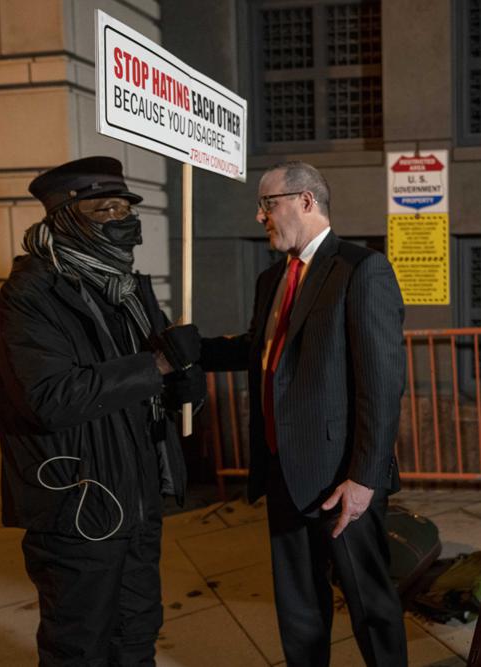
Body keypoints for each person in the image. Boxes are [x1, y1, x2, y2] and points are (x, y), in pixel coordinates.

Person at [0, 156, 204, 665]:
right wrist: (158, 364)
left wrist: (183, 379)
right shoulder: (29, 296)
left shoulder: (126, 289)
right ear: (65, 217)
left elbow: (154, 374)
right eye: (104, 208)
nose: (122, 219)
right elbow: (50, 398)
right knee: (79, 648)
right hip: (79, 509)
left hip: (137, 499)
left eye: (125, 206)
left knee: (137, 634)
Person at [200, 161, 408, 666]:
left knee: (370, 605)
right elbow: (260, 349)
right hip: (282, 471)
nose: (260, 216)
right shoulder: (272, 279)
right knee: (298, 608)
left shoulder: (361, 269)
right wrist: (186, 349)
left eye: (268, 205)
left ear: (305, 201)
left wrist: (364, 477)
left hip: (342, 480)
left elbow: (382, 386)